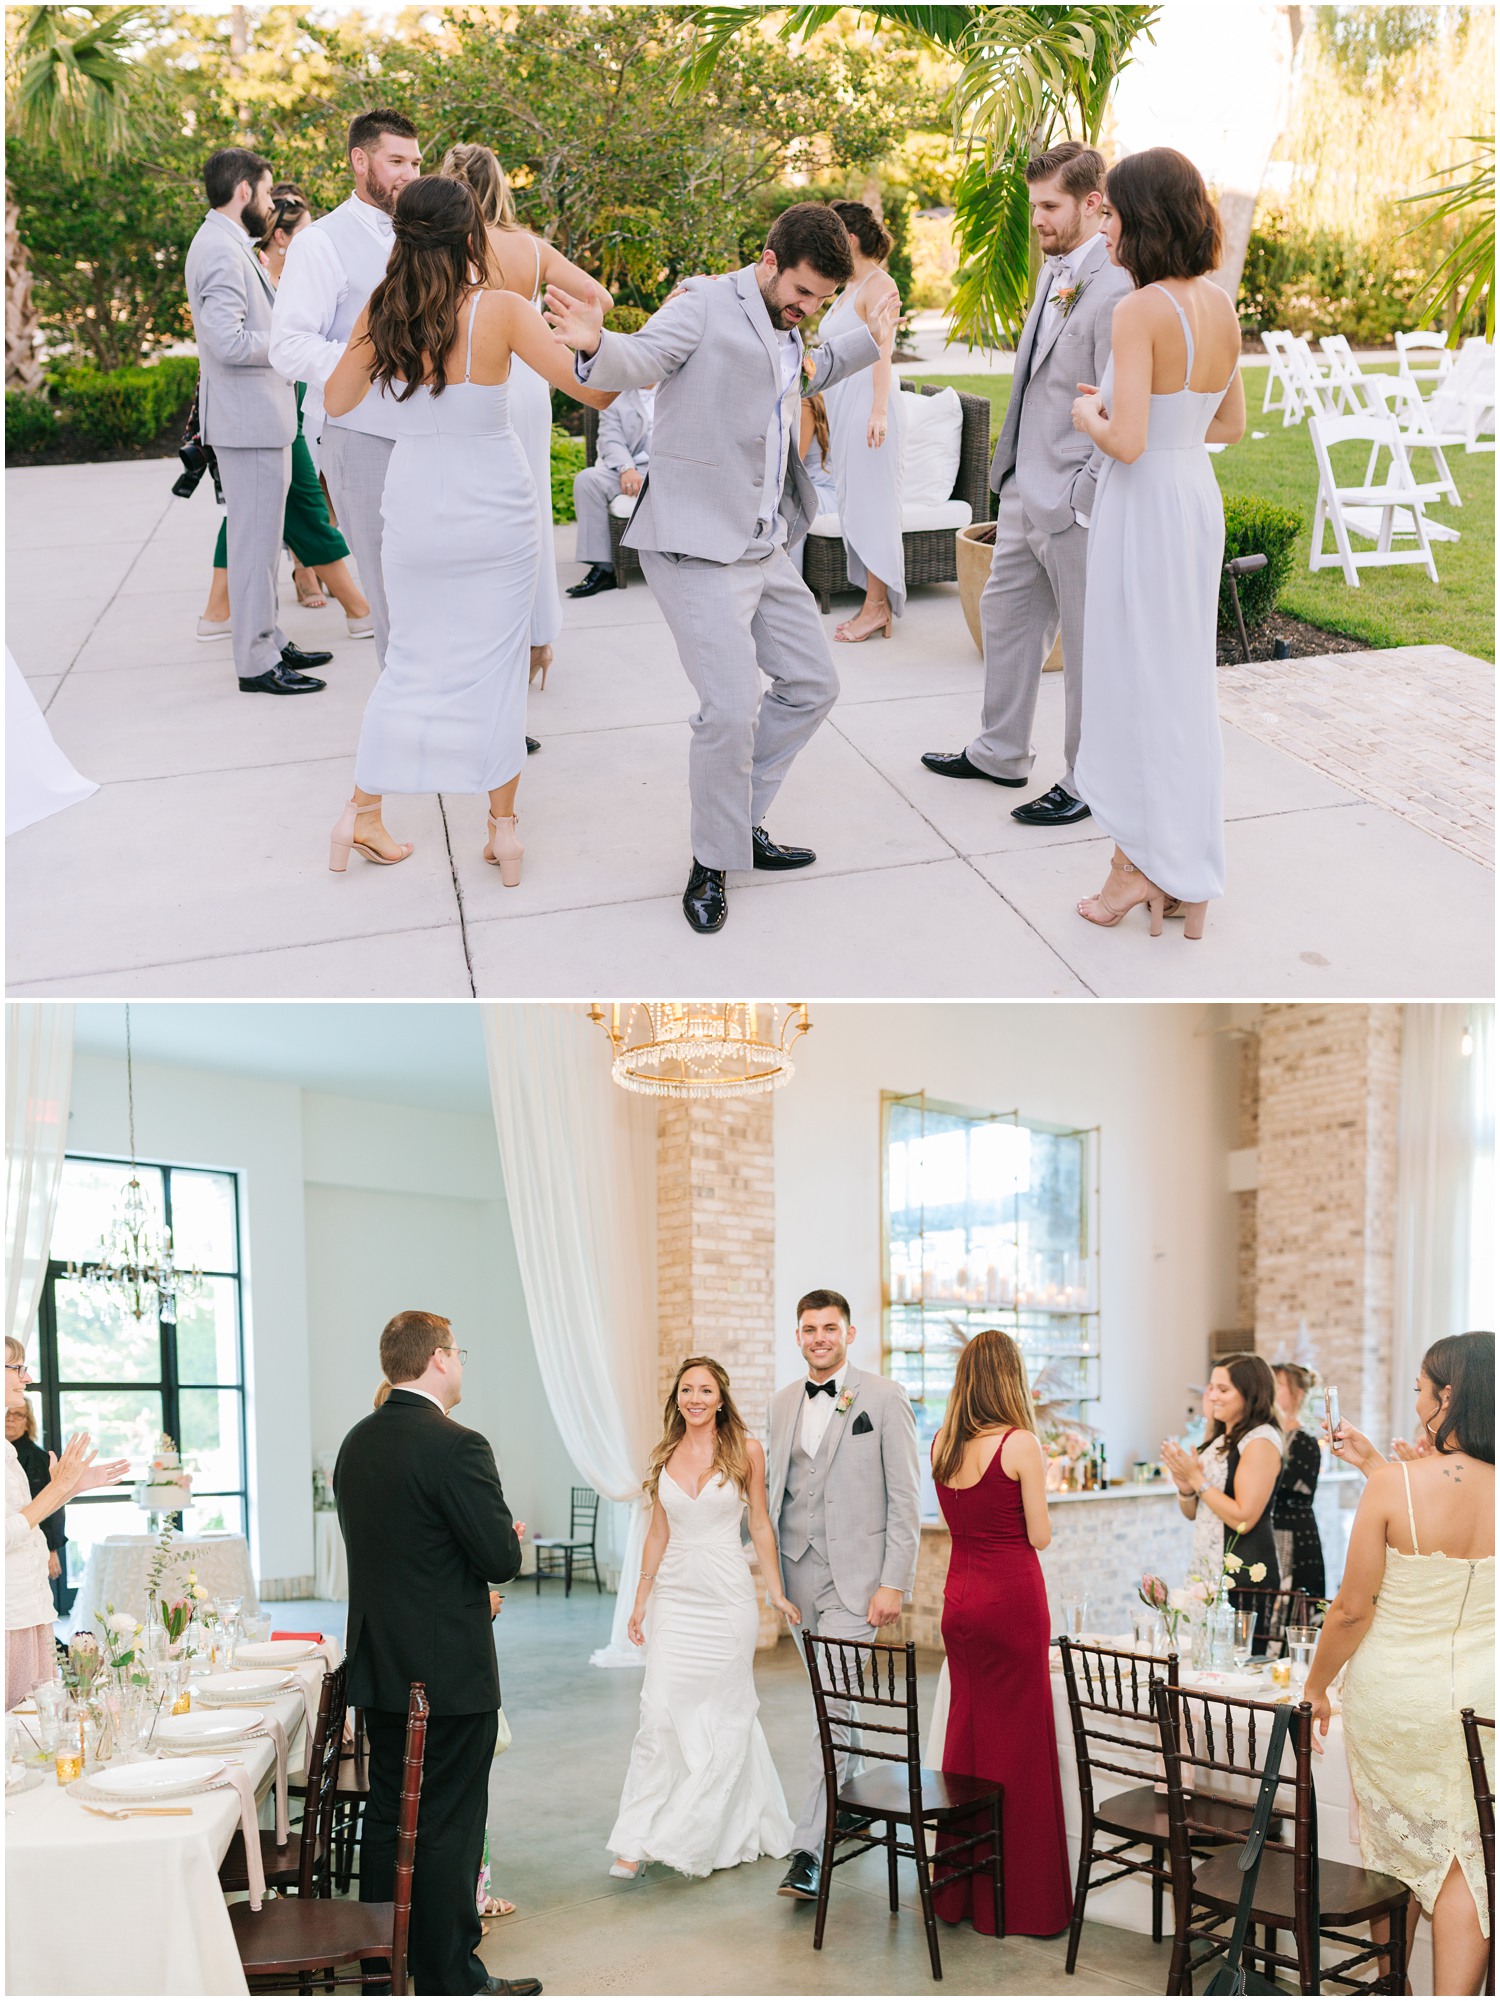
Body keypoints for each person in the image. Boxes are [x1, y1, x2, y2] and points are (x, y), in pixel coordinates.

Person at [544, 202, 898, 935]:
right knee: (730, 711)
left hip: (763, 543)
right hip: (694, 545)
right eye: (800, 293)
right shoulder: (704, 302)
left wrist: (869, 338)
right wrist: (593, 344)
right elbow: (638, 358)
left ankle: (740, 821)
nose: (806, 310)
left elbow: (810, 369)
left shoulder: (792, 326)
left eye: (821, 301)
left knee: (812, 683)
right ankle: (712, 860)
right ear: (768, 261)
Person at [321, 175, 613, 882]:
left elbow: (335, 398)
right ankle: (503, 833)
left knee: (409, 662)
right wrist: (592, 337)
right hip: (494, 508)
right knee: (497, 668)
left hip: (416, 505)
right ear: (471, 236)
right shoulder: (503, 311)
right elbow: (595, 390)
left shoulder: (382, 311)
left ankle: (358, 816)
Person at [921, 143, 1130, 830]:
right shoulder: (1055, 274)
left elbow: (1119, 407)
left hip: (1071, 503)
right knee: (1009, 624)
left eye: (1050, 206)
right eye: (1033, 204)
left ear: (1094, 204)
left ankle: (1086, 778)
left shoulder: (1117, 288)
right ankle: (1000, 751)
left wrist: (1081, 499)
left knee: (1085, 650)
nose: (1036, 218)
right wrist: (1009, 479)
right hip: (1022, 492)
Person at [333, 1309, 539, 1999]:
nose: (462, 1363)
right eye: (460, 1351)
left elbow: (400, 1552)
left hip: (381, 1670)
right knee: (450, 1824)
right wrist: (499, 1533)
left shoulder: (356, 1443)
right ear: (440, 1358)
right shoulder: (458, 1445)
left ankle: (382, 1966)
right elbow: (500, 1557)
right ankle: (452, 1977)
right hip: (448, 1678)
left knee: (389, 1817)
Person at [1070, 147, 1247, 941]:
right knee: (1179, 686)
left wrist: (1089, 418)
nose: (1101, 225)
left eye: (1109, 212)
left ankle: (1135, 866)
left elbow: (1128, 443)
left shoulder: (1136, 311)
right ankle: (1183, 873)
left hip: (1142, 506)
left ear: (1140, 218)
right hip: (1193, 500)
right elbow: (1228, 425)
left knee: (1133, 683)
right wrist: (1141, 419)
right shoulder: (1220, 305)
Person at [1309, 1333, 1494, 1998]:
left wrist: (1315, 1684)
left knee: (1398, 1849)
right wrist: (1375, 1464)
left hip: (1396, 1700)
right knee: (1462, 1859)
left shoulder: (1397, 1484)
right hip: (1483, 1706)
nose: (1414, 1400)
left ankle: (1391, 1984)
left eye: (1420, 1387)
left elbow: (1352, 1610)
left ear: (1447, 1396)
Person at [608, 1356, 800, 1879]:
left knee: (725, 1712)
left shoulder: (746, 1452)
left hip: (725, 1597)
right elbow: (657, 1533)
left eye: (705, 1390)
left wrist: (776, 1594)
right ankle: (637, 1837)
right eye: (686, 1389)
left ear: (721, 1398)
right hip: (675, 1596)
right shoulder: (665, 1454)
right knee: (659, 1711)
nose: (695, 1398)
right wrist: (641, 1599)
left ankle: (698, 1831)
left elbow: (760, 1525)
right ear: (677, 1398)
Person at [766, 1288, 921, 1904]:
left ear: (849, 1334)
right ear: (797, 1335)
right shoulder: (781, 1405)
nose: (819, 1337)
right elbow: (777, 1488)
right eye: (809, 1328)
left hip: (857, 1581)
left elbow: (906, 1498)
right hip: (798, 1576)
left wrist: (895, 1581)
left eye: (830, 1328)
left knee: (825, 1709)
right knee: (834, 1700)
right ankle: (849, 1800)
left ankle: (809, 1848)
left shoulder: (883, 1397)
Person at [440, 144, 613, 686]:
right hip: (530, 383)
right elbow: (599, 296)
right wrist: (558, 328)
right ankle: (538, 640)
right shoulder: (531, 249)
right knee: (532, 503)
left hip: (473, 381)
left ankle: (486, 634)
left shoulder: (447, 242)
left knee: (476, 507)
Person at [270, 108, 424, 674]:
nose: (409, 173)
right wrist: (379, 363)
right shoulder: (321, 243)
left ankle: (467, 713)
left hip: (436, 430)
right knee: (388, 586)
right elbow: (288, 345)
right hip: (361, 434)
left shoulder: (431, 231)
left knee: (438, 576)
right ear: (361, 161)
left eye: (415, 162)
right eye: (396, 161)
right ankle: (410, 719)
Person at [929, 1328, 1072, 1936]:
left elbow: (956, 1523)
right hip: (1011, 1600)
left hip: (960, 1599)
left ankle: (960, 1894)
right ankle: (1024, 1904)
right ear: (1010, 1378)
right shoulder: (1021, 1445)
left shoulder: (939, 1443)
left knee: (968, 1736)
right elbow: (1038, 1536)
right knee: (1020, 1744)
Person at [184, 147, 333, 698]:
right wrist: (289, 348)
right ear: (244, 191)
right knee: (253, 545)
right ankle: (255, 662)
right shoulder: (221, 251)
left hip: (259, 422)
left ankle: (269, 638)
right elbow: (226, 343)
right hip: (248, 426)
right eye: (267, 193)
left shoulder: (228, 245)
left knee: (265, 541)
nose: (270, 204)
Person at [199, 186, 373, 643]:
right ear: (281, 237)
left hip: (289, 402)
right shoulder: (258, 272)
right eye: (306, 230)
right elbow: (238, 341)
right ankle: (357, 608)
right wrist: (288, 344)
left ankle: (220, 613)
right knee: (300, 505)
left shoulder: (277, 274)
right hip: (271, 409)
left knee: (259, 510)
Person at [5, 1339, 128, 1708]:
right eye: (17, 1368)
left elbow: (26, 1518)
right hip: (8, 1613)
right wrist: (58, 1487)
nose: (27, 1377)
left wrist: (68, 1489)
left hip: (28, 1605)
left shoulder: (7, 1449)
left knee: (36, 1725)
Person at [818, 200, 905, 643]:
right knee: (855, 500)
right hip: (848, 405)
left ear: (848, 238)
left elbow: (883, 347)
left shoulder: (879, 284)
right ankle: (875, 603)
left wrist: (877, 411)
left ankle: (876, 608)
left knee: (872, 503)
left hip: (872, 406)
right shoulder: (848, 287)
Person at [1161, 1353, 1282, 1651]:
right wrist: (1185, 1488)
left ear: (1251, 1394)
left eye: (1223, 1390)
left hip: (1242, 1574)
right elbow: (1194, 1513)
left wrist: (1198, 1481)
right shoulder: (1220, 1439)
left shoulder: (1260, 1441)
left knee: (1236, 1667)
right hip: (1207, 1569)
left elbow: (1243, 1519)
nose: (1212, 1396)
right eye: (1211, 1387)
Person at [567, 386, 655, 599]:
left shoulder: (679, 386)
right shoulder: (615, 397)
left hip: (670, 470)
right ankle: (603, 568)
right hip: (635, 467)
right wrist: (627, 468)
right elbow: (610, 438)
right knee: (587, 480)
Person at [5, 1395, 68, 1617]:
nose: (10, 1419)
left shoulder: (38, 1458)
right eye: (7, 1413)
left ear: (27, 1422)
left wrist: (52, 1550)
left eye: (18, 1414)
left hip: (32, 1540)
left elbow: (53, 1507)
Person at [1270, 1361, 1325, 1599]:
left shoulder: (1305, 1442)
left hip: (1294, 1537)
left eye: (1278, 1385)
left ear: (1298, 1394)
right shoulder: (1266, 1436)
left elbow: (1291, 1490)